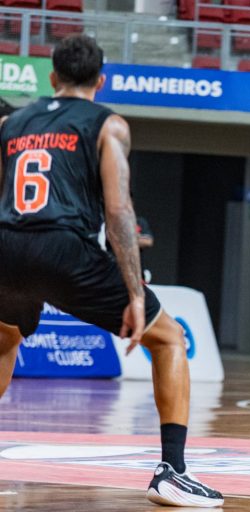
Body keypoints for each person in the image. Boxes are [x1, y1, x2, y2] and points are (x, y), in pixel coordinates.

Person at [0, 36, 222, 508]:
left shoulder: (11, 123)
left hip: (7, 245)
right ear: (100, 82)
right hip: (64, 247)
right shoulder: (108, 124)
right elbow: (119, 211)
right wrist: (135, 293)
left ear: (52, 77)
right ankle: (174, 471)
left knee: (3, 340)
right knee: (169, 339)